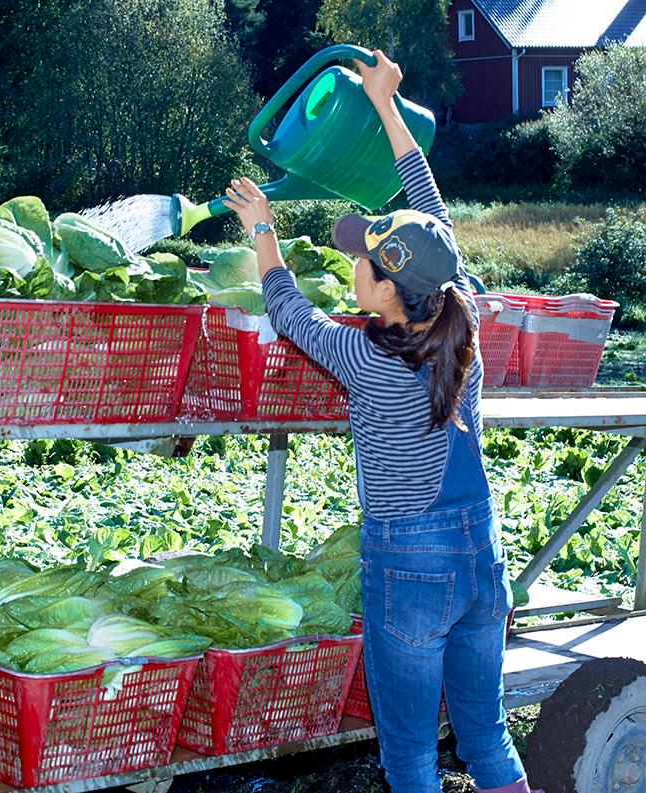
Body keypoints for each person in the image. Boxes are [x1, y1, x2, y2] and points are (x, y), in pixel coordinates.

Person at [221, 51, 541, 793]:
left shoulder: (367, 358)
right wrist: (385, 104)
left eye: (363, 259)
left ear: (390, 290)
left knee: (410, 757)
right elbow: (432, 212)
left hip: (411, 566)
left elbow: (288, 311)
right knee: (486, 736)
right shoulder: (462, 318)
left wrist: (262, 231)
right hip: (480, 552)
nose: (353, 264)